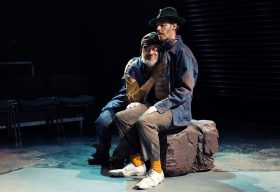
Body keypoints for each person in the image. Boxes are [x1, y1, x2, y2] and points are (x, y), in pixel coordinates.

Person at [108, 7, 199, 190]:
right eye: (157, 25)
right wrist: (142, 101)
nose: (158, 28)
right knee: (122, 117)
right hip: (157, 104)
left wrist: (159, 107)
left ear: (175, 26)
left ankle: (156, 171)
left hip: (176, 110)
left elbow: (185, 90)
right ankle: (137, 163)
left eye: (163, 25)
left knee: (146, 122)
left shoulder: (183, 53)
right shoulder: (163, 50)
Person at [88, 32, 164, 168]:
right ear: (141, 50)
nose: (151, 52)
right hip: (123, 102)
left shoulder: (163, 64)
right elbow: (131, 97)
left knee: (131, 122)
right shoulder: (133, 66)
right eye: (147, 48)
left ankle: (121, 155)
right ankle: (102, 152)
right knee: (102, 121)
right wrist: (153, 78)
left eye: (155, 49)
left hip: (146, 105)